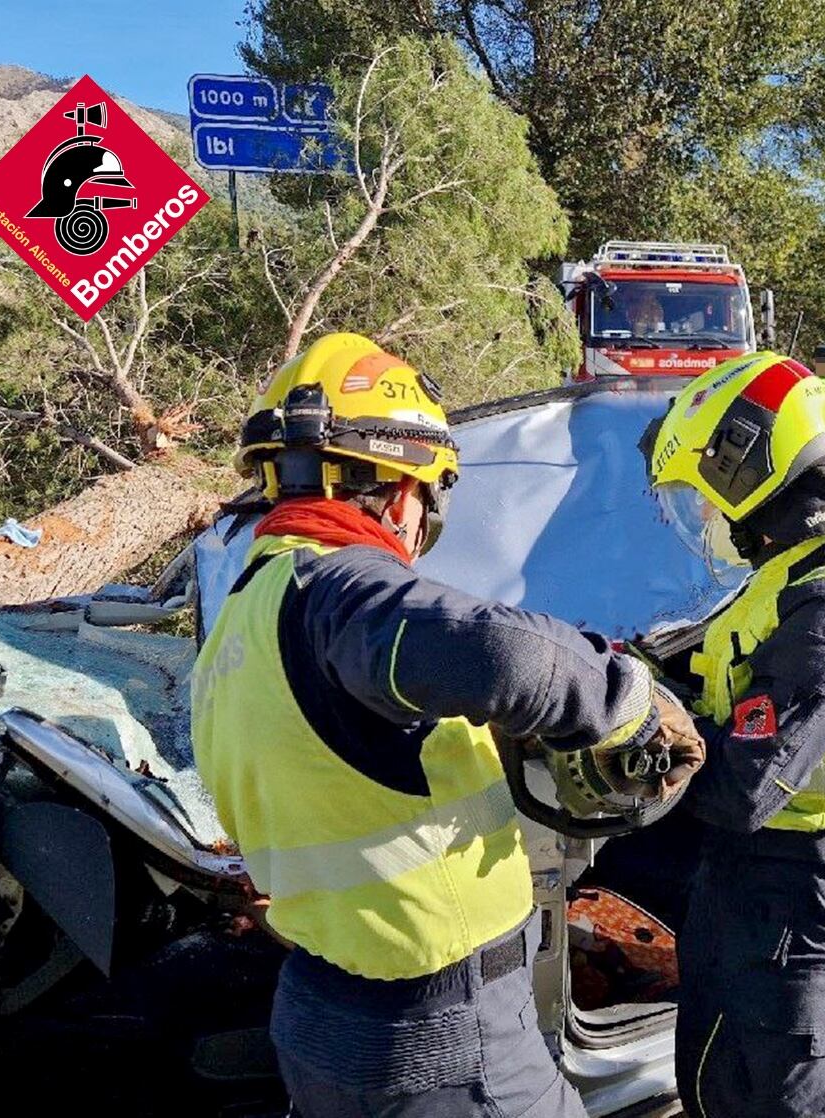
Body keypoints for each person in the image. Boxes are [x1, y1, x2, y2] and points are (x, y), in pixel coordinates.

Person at [191, 333, 704, 1118]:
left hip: (324, 1016)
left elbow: (359, 761)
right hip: (442, 1039)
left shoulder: (245, 620)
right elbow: (504, 653)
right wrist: (626, 704)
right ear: (402, 493)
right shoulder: (345, 594)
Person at [641, 351, 825, 1118]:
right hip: (748, 893)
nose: (702, 517)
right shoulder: (779, 580)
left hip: (797, 905)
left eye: (702, 496)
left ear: (746, 476)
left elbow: (741, 786)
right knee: (715, 1084)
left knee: (774, 1094)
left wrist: (646, 730)